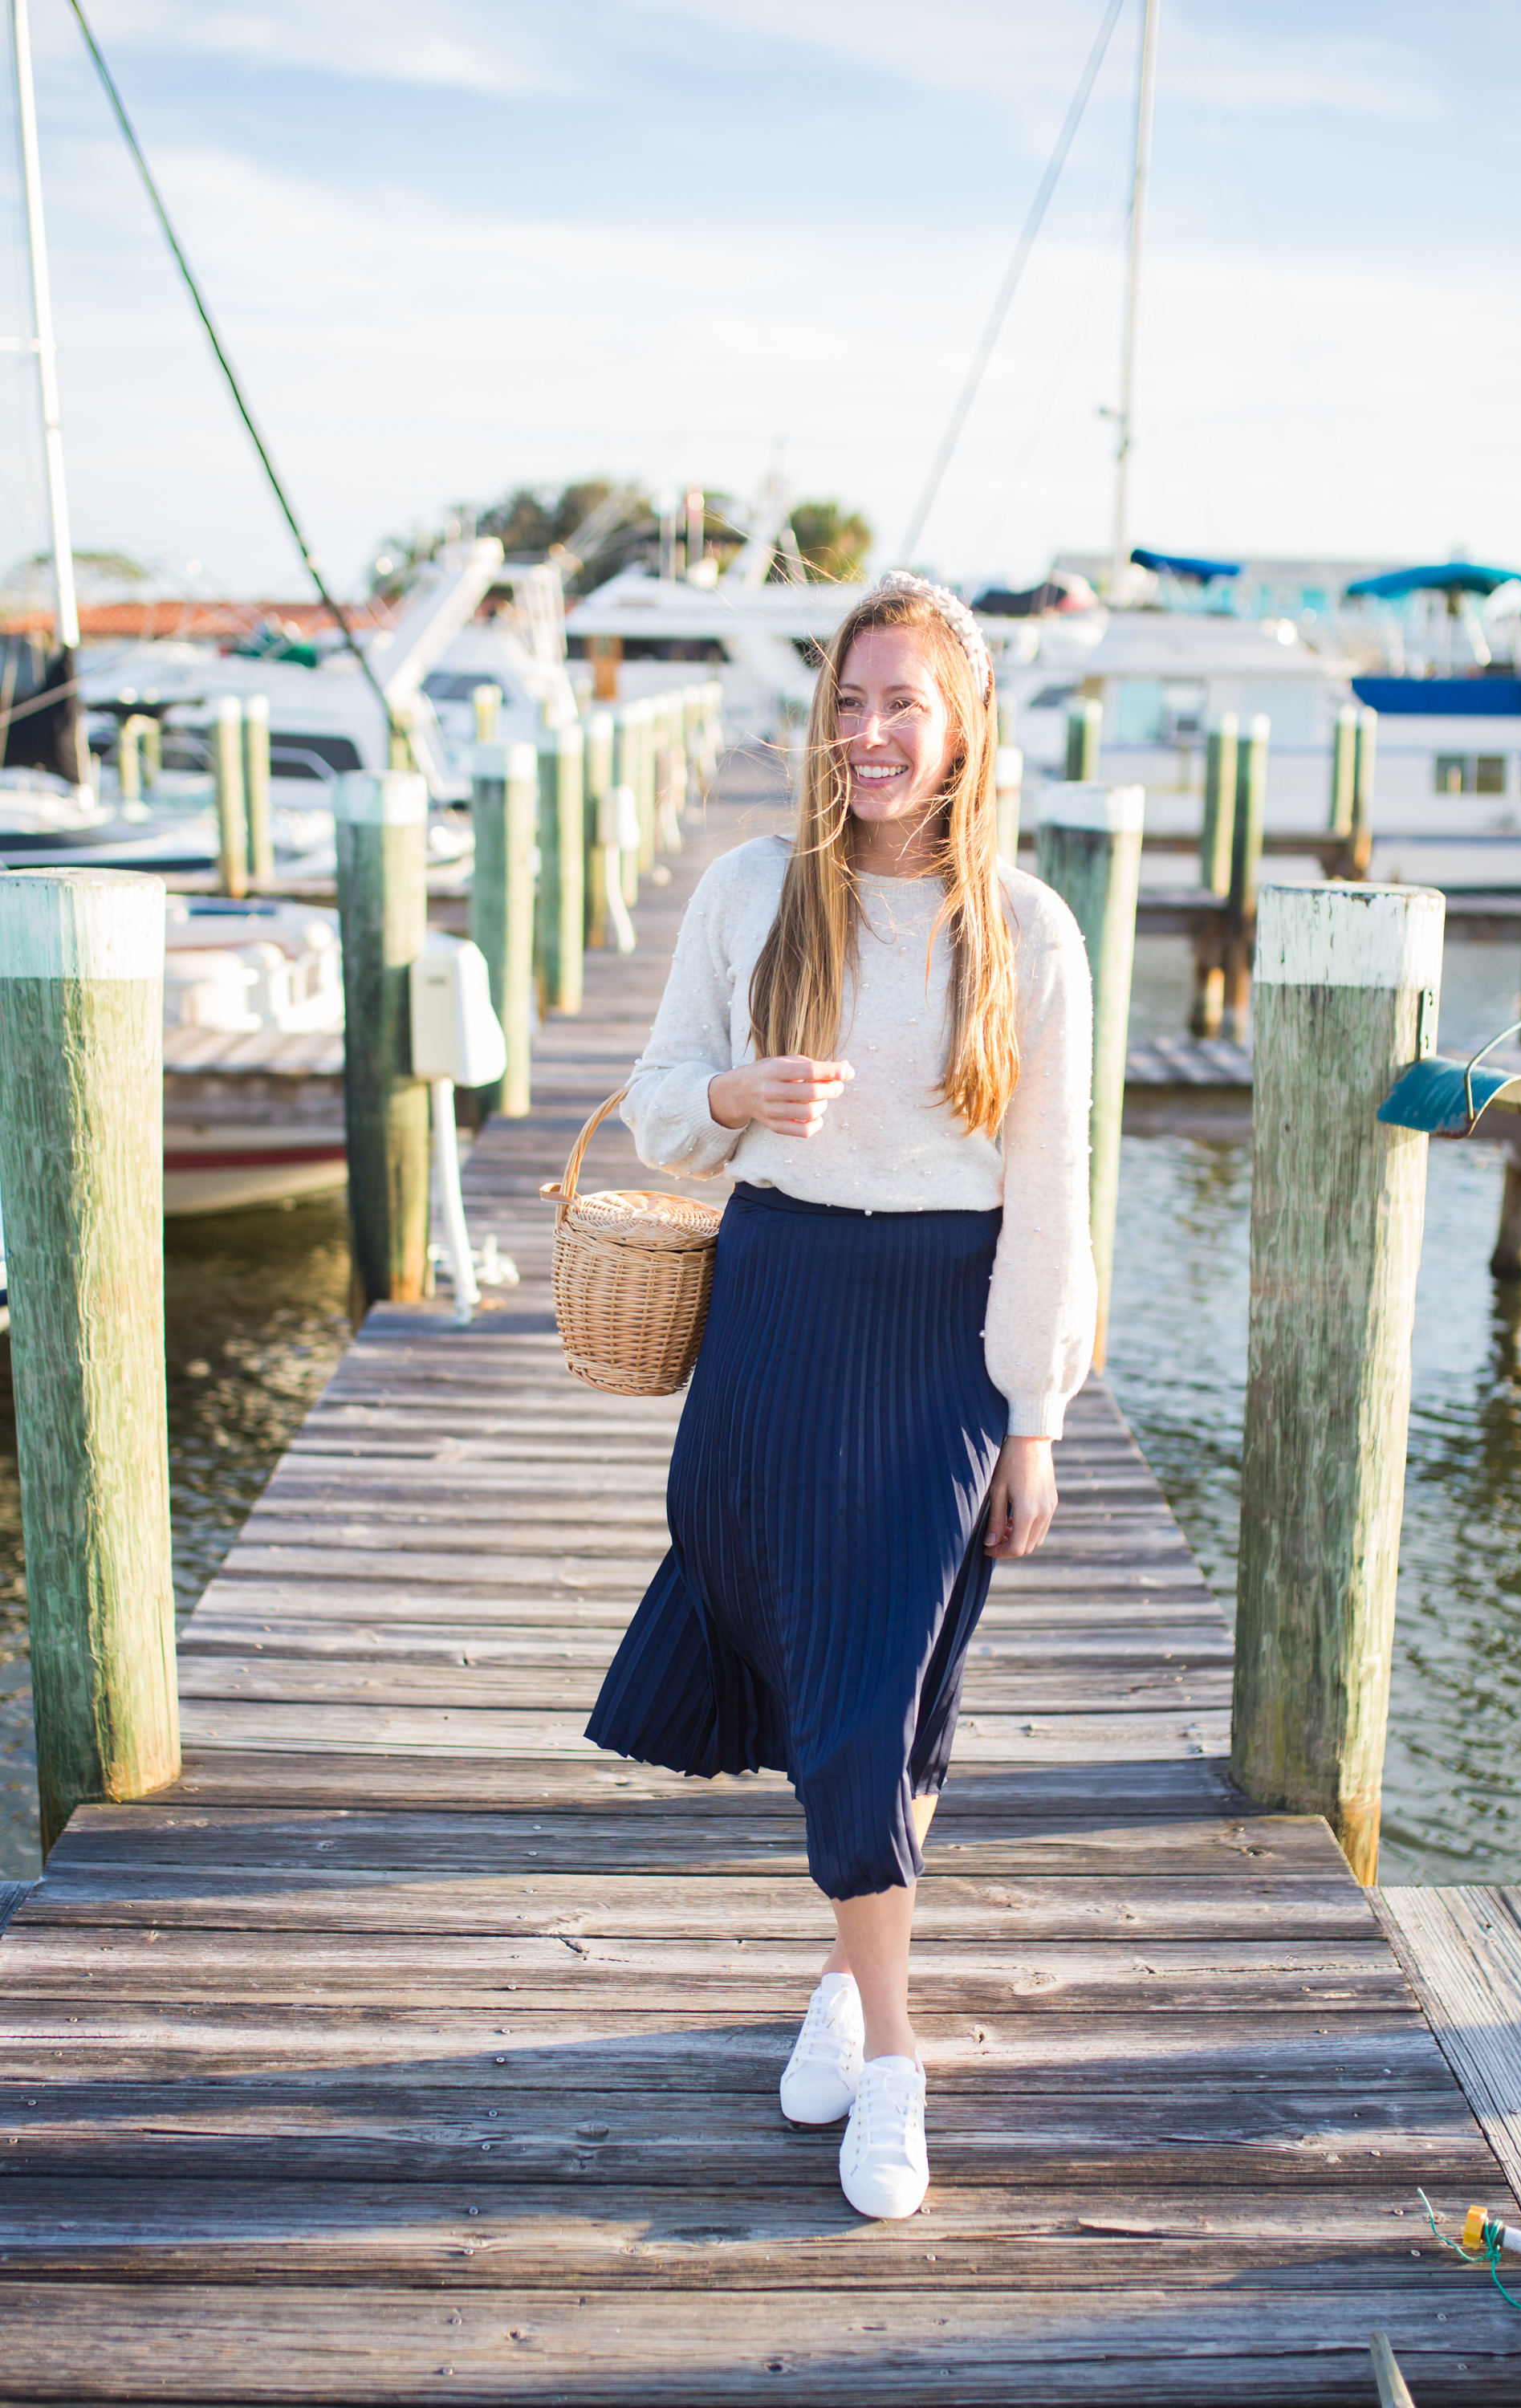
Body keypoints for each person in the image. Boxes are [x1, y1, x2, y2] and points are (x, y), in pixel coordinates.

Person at [586, 570, 1095, 2219]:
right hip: (781, 1304)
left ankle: (886, 2050)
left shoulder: (1024, 929)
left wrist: (1033, 1416)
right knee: (862, 1689)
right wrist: (734, 1091)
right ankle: (860, 1998)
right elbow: (662, 1107)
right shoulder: (753, 888)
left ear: (962, 737)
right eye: (851, 701)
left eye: (907, 706)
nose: (872, 733)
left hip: (946, 1326)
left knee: (894, 1687)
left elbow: (1054, 1200)